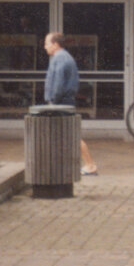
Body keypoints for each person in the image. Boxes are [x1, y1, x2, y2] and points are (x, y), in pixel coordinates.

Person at [44, 32, 98, 176]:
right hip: (63, 101)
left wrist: (53, 101)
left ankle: (90, 165)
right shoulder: (63, 57)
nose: (45, 47)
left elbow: (58, 84)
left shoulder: (60, 59)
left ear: (55, 44)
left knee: (72, 135)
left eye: (47, 43)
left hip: (61, 102)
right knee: (66, 135)